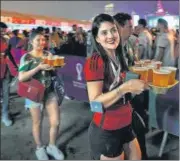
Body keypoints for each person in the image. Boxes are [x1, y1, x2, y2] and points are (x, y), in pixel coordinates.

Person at [84, 13, 148, 160]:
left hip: (126, 122)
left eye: (113, 30)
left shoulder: (119, 55)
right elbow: (95, 103)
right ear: (97, 38)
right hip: (107, 128)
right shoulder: (95, 61)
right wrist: (124, 88)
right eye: (104, 32)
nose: (111, 35)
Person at [18, 31, 64, 160]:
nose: (42, 43)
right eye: (38, 40)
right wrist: (38, 67)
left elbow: (53, 72)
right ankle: (40, 147)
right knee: (37, 122)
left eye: (44, 40)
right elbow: (21, 77)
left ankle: (52, 146)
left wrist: (55, 67)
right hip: (34, 94)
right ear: (31, 41)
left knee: (56, 121)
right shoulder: (27, 57)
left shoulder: (48, 54)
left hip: (49, 92)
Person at [114, 14, 149, 160]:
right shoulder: (111, 50)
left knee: (139, 131)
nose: (133, 29)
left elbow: (132, 64)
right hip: (119, 101)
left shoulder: (128, 44)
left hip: (133, 96)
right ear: (120, 27)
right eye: (129, 26)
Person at [0, 22, 18, 126]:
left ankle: (5, 115)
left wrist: (16, 66)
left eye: (4, 30)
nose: (3, 32)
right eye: (1, 30)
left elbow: (9, 54)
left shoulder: (5, 40)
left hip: (5, 71)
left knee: (6, 95)